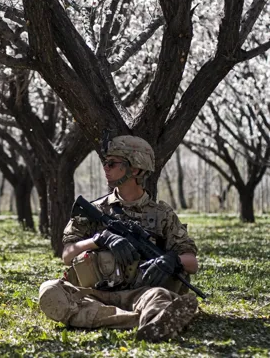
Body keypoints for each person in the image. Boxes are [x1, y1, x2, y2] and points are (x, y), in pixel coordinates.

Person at [38, 135, 199, 342]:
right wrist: (100, 239)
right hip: (94, 294)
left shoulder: (162, 215)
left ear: (136, 170)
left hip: (142, 293)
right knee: (50, 291)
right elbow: (68, 255)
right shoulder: (95, 211)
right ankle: (145, 321)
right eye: (105, 163)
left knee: (159, 297)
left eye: (112, 163)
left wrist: (172, 259)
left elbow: (192, 263)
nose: (106, 167)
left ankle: (152, 317)